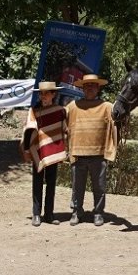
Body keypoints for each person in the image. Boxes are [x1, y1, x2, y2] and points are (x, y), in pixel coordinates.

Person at [65, 74, 117, 226]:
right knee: (77, 187)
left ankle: (98, 213)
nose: (89, 88)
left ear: (98, 88)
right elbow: (59, 119)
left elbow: (119, 119)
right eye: (86, 85)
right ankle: (76, 211)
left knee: (99, 186)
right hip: (78, 153)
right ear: (82, 88)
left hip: (98, 154)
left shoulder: (107, 107)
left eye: (93, 85)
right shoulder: (72, 106)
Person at [20, 81, 67, 227]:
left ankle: (49, 214)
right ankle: (36, 214)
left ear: (53, 94)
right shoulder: (33, 111)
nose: (43, 96)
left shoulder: (60, 111)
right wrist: (27, 150)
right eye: (41, 93)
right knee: (37, 182)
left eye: (46, 93)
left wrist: (65, 147)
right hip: (38, 151)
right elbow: (28, 131)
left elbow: (64, 130)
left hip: (53, 151)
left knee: (51, 183)